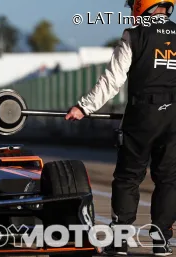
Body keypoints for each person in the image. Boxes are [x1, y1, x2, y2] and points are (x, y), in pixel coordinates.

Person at [65, 0, 176, 255]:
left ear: (142, 5)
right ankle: (162, 242)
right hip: (174, 118)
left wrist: (84, 107)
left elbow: (112, 80)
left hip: (143, 115)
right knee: (169, 179)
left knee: (128, 178)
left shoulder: (134, 35)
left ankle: (120, 241)